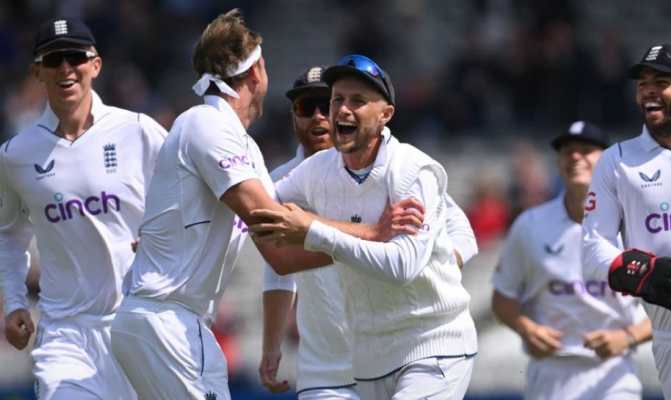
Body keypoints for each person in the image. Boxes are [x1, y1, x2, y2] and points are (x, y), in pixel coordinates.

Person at [111, 12, 418, 400]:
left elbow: (282, 257)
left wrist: (361, 243)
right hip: (167, 320)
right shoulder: (207, 125)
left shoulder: (244, 148)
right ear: (256, 71)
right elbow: (273, 231)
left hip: (162, 322)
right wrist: (370, 233)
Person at [249, 54, 478, 400]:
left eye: (356, 100)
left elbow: (405, 264)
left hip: (431, 342)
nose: (328, 114)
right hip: (353, 361)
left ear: (385, 114)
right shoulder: (304, 175)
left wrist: (438, 263)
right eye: (333, 100)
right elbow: (255, 226)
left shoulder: (411, 170)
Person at [0, 18, 167, 399]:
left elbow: (187, 200)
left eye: (75, 56)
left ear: (96, 64)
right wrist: (13, 302)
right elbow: (8, 233)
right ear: (37, 72)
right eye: (54, 59)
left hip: (141, 325)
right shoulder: (15, 155)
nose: (65, 68)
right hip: (65, 334)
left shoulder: (139, 131)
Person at [492, 121, 652, 400]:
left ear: (607, 161)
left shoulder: (635, 223)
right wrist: (527, 329)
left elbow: (670, 307)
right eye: (567, 152)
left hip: (613, 373)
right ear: (558, 163)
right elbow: (502, 297)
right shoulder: (530, 224)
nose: (575, 157)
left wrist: (626, 338)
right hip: (550, 372)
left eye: (585, 150)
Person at [581, 44, 671, 400]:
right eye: (642, 83)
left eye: (661, 81)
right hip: (668, 337)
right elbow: (591, 251)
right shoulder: (616, 162)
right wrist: (644, 271)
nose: (648, 90)